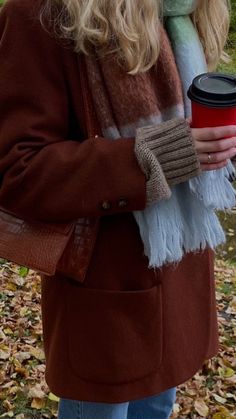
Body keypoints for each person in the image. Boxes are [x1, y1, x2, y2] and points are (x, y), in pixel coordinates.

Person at [0, 0, 235, 418]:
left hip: (179, 279)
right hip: (104, 302)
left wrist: (220, 149)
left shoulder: (187, 9)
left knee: (158, 409)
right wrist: (155, 158)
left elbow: (193, 137)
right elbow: (19, 170)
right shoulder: (42, 12)